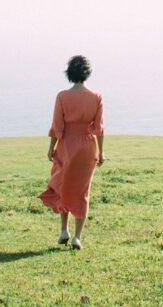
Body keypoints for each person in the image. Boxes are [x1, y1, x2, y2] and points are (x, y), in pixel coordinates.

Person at [37, 55, 105, 250]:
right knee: (82, 191)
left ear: (69, 73)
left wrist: (51, 148)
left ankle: (64, 230)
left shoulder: (62, 97)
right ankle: (77, 237)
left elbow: (57, 126)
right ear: (87, 73)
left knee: (63, 187)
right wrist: (101, 152)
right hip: (87, 146)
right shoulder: (96, 97)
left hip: (67, 145)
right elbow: (99, 128)